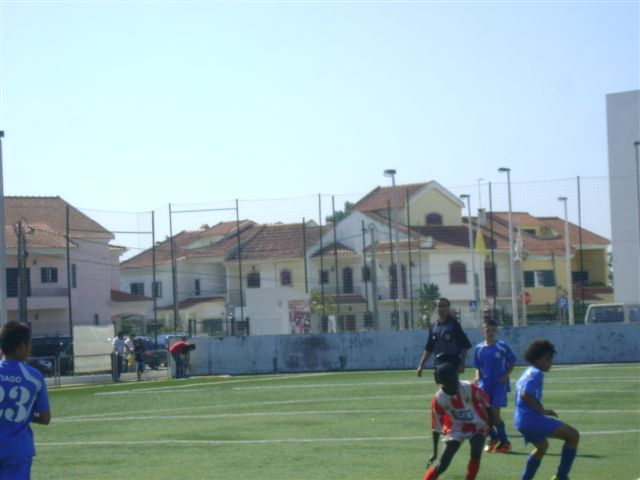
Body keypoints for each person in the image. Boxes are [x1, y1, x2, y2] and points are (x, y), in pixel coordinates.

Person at [514, 339, 580, 480]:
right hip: (531, 420)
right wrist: (542, 411)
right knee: (573, 436)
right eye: (548, 359)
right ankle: (561, 476)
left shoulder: (528, 371)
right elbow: (525, 394)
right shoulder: (536, 373)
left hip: (520, 420)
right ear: (538, 359)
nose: (551, 362)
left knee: (542, 447)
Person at [422, 363, 494, 480]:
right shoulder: (439, 399)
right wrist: (434, 452)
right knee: (443, 464)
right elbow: (436, 428)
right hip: (455, 429)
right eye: (451, 383)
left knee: (476, 453)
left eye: (456, 380)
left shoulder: (469, 387)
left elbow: (487, 405)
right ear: (442, 382)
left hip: (477, 425)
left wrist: (490, 426)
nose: (455, 385)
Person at [0, 321, 51, 479]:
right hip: (17, 450)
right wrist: (26, 414)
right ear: (22, 348)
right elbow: (45, 417)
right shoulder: (34, 377)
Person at [474, 317, 516, 453]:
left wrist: (505, 375)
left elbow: (512, 362)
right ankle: (493, 438)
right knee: (483, 416)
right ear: (483, 331)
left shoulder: (502, 346)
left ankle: (505, 442)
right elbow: (478, 366)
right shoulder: (479, 348)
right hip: (484, 385)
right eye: (488, 330)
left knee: (495, 415)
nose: (490, 333)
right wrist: (477, 376)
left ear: (496, 332)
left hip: (499, 385)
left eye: (493, 330)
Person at [417, 297, 472, 382]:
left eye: (444, 306)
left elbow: (464, 345)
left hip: (452, 361)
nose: (442, 308)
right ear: (436, 308)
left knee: (451, 387)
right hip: (439, 362)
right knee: (441, 387)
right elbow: (429, 348)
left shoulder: (454, 325)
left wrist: (462, 363)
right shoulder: (433, 327)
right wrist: (421, 366)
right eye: (439, 306)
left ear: (448, 308)